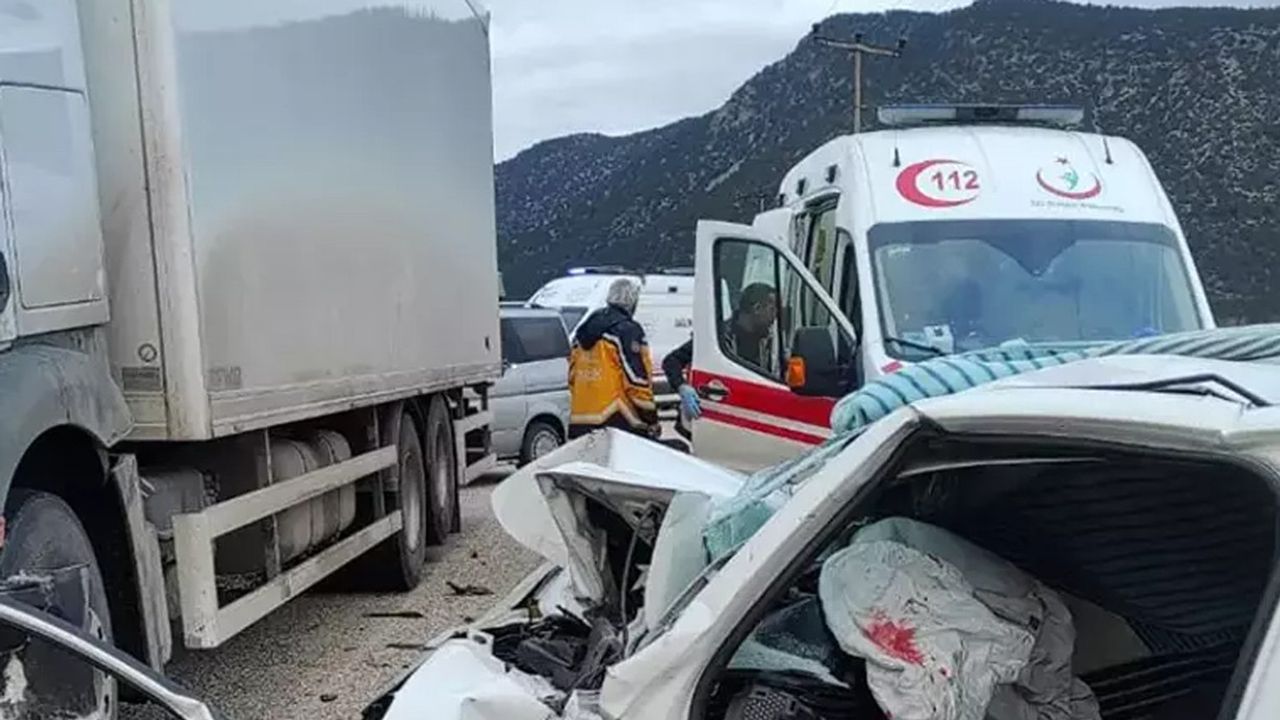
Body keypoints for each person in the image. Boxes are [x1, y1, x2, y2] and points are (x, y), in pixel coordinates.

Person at [661, 282, 779, 439]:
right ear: (757, 309)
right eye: (772, 309)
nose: (775, 316)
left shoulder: (769, 338)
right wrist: (682, 387)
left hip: (753, 416)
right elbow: (671, 361)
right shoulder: (719, 338)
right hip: (718, 417)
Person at [567, 278, 659, 439]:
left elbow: (572, 376)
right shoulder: (627, 330)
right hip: (617, 417)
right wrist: (651, 417)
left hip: (580, 418)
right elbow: (636, 380)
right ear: (633, 302)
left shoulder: (583, 331)